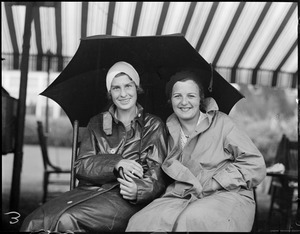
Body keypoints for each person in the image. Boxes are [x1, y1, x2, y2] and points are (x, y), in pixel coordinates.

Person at [20, 61, 168, 232]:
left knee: (66, 220)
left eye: (128, 86)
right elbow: (81, 166)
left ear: (137, 88)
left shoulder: (153, 125)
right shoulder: (97, 122)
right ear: (110, 92)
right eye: (116, 88)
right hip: (89, 192)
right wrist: (116, 163)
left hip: (126, 198)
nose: (123, 93)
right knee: (34, 221)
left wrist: (139, 190)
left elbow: (158, 174)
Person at [126, 69, 266, 232]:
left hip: (227, 194)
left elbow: (255, 164)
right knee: (140, 222)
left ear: (200, 99)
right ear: (170, 100)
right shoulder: (168, 130)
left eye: (191, 96)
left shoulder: (222, 123)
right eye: (177, 96)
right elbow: (156, 168)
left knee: (193, 220)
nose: (184, 102)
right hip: (184, 195)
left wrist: (217, 181)